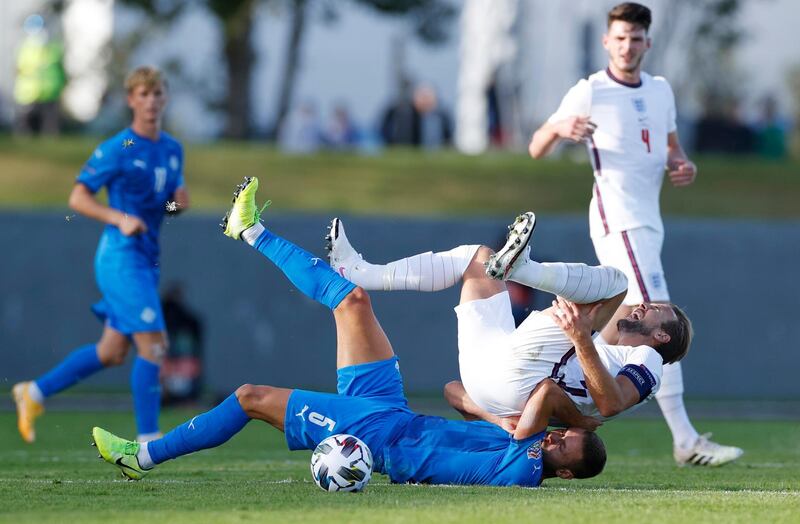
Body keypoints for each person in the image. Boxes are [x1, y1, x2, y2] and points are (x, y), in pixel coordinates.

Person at [90, 177, 606, 486]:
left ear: (561, 471)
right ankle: (242, 228)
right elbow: (454, 392)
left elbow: (541, 392)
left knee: (249, 396)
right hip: (394, 414)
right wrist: (490, 411)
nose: (557, 437)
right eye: (564, 435)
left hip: (376, 440)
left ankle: (142, 456)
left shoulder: (524, 470)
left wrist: (577, 416)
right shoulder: (529, 438)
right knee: (353, 301)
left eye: (563, 446)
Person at [526, 2, 742, 466]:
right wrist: (561, 128)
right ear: (608, 41)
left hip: (649, 222)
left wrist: (682, 164)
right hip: (616, 218)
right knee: (658, 325)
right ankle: (684, 438)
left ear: (647, 41)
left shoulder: (661, 90)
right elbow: (536, 146)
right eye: (619, 38)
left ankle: (549, 396)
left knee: (618, 329)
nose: (627, 46)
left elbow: (670, 147)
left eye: (636, 38)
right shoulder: (591, 89)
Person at [326, 212, 688, 426]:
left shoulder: (650, 360)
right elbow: (452, 390)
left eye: (656, 312)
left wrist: (580, 337)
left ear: (661, 338)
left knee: (617, 284)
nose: (644, 306)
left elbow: (610, 404)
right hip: (490, 379)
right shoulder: (605, 350)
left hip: (520, 377)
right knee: (479, 260)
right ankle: (360, 273)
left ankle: (523, 268)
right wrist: (498, 418)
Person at [12, 66, 189, 443]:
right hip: (120, 258)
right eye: (143, 94)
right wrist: (119, 217)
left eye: (157, 93)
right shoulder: (117, 148)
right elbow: (77, 196)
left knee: (111, 352)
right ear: (131, 100)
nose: (151, 101)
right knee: (155, 345)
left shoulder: (173, 149)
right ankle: (149, 440)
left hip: (147, 258)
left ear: (165, 98)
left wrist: (178, 206)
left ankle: (33, 392)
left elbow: (170, 205)